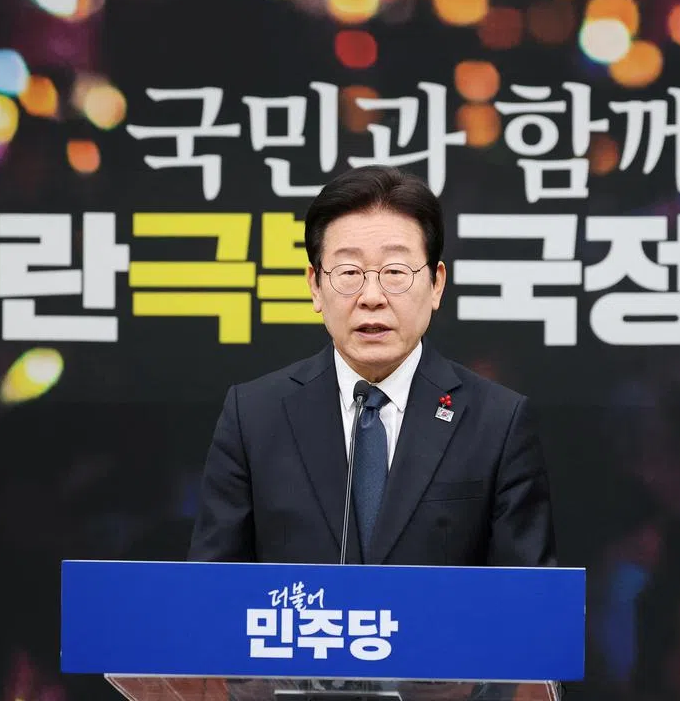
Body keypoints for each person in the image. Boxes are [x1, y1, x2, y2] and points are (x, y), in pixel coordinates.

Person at [187, 165, 557, 567]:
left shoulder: (497, 422)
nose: (372, 296)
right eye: (349, 273)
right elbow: (212, 591)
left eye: (395, 272)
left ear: (436, 284)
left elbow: (528, 604)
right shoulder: (254, 416)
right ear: (315, 285)